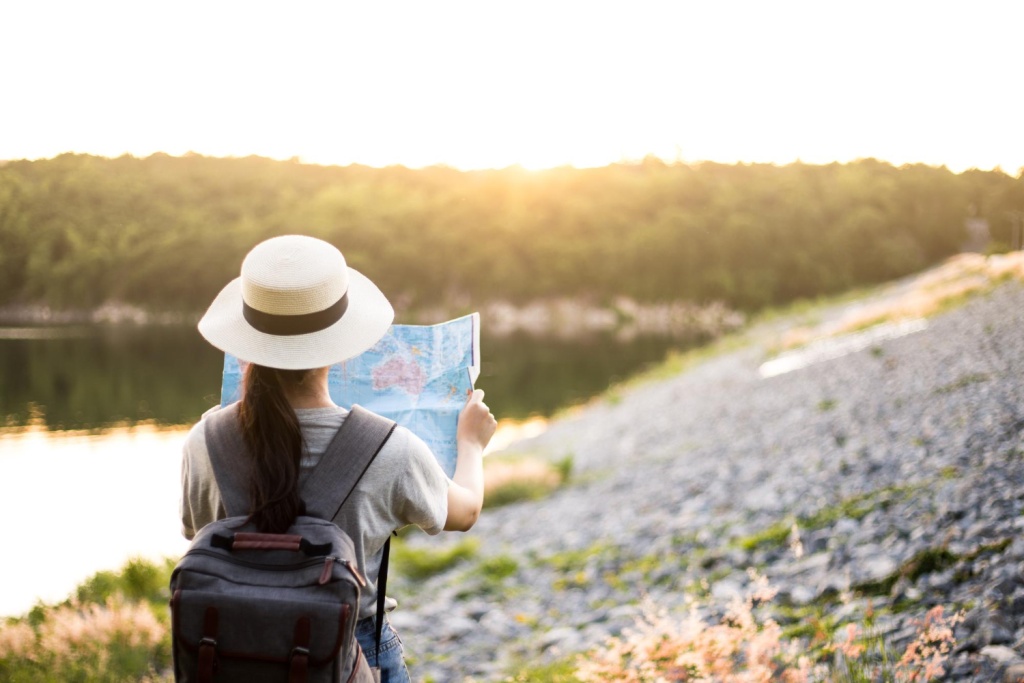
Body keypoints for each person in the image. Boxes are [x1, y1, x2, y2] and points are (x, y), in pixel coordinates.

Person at [179, 234, 496, 682]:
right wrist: (471, 445)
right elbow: (465, 511)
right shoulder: (390, 447)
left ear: (248, 342)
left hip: (231, 654)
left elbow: (198, 534)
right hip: (352, 652)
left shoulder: (203, 441)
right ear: (343, 345)